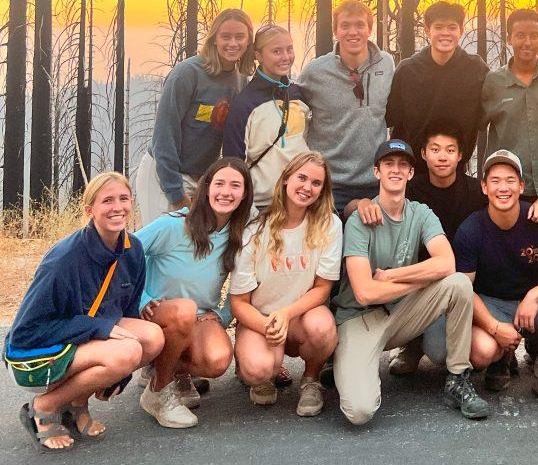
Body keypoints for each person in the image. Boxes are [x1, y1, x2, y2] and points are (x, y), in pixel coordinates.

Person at [333, 138, 490, 424]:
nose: (396, 169)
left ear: (410, 174)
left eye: (402, 165)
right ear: (377, 172)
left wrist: (393, 274)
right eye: (388, 164)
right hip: (360, 320)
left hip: (401, 314)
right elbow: (366, 292)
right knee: (360, 412)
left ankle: (457, 378)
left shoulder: (420, 213)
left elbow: (447, 263)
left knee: (457, 283)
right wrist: (421, 280)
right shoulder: (359, 220)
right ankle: (345, 363)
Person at [4, 172, 163, 452]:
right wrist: (98, 330)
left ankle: (77, 403)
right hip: (36, 355)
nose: (117, 207)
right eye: (107, 201)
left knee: (152, 337)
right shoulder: (63, 260)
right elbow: (25, 333)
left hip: (81, 341)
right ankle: (43, 407)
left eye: (123, 198)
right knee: (127, 351)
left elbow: (128, 310)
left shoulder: (133, 248)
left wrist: (119, 375)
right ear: (90, 211)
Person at [390, 128, 538, 378]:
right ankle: (411, 345)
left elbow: (507, 195)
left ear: (460, 156)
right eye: (435, 149)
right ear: (423, 154)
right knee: (438, 352)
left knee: (472, 349)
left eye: (450, 150)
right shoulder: (411, 189)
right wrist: (361, 204)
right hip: (424, 278)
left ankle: (506, 352)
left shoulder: (477, 189)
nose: (442, 157)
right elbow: (381, 200)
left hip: (465, 279)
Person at [455, 149, 538, 408]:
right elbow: (462, 290)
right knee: (481, 352)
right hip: (491, 305)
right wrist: (494, 327)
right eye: (495, 181)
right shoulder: (470, 229)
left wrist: (534, 294)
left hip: (532, 305)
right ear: (483, 187)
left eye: (510, 180)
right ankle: (502, 356)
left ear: (521, 186)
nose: (503, 188)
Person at [135, 157, 253, 428]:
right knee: (184, 309)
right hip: (158, 314)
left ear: (244, 194)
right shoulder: (173, 225)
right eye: (219, 183)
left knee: (217, 360)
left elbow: (245, 282)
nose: (226, 192)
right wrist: (141, 298)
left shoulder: (238, 235)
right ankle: (158, 391)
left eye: (236, 185)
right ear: (206, 187)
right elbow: (126, 253)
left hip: (199, 317)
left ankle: (168, 367)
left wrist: (223, 315)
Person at [229, 152, 341, 418]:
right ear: (286, 179)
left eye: (316, 183)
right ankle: (261, 372)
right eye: (301, 178)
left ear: (322, 190)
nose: (307, 187)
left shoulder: (329, 225)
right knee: (258, 368)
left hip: (301, 316)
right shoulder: (255, 230)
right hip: (261, 318)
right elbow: (238, 302)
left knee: (323, 328)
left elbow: (323, 288)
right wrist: (268, 325)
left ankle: (311, 379)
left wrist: (287, 314)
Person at [136, 9, 255, 225]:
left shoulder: (239, 79)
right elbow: (165, 135)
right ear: (214, 39)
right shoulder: (187, 74)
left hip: (198, 178)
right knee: (161, 244)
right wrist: (175, 192)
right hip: (163, 173)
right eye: (225, 37)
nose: (232, 43)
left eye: (240, 37)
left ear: (249, 41)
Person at [296, 0, 394, 217]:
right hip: (328, 183)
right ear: (335, 31)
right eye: (345, 25)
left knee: (370, 250)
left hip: (375, 181)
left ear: (369, 29)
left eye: (360, 25)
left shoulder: (386, 64)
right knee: (326, 247)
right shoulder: (315, 72)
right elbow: (293, 112)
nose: (353, 32)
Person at [482, 7, 538, 221]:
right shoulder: (493, 82)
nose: (527, 42)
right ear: (509, 38)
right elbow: (478, 127)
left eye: (534, 36)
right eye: (520, 35)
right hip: (507, 187)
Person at [385, 1, 488, 164]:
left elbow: (490, 113)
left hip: (455, 171)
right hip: (412, 172)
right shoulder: (408, 70)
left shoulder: (476, 70)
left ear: (461, 31)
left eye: (452, 27)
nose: (445, 33)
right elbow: (389, 117)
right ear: (427, 30)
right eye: (438, 27)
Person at [223, 24, 310, 209]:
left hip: (300, 201)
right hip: (261, 206)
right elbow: (234, 160)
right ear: (259, 55)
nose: (286, 57)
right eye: (276, 51)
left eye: (289, 49)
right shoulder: (244, 104)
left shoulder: (297, 94)